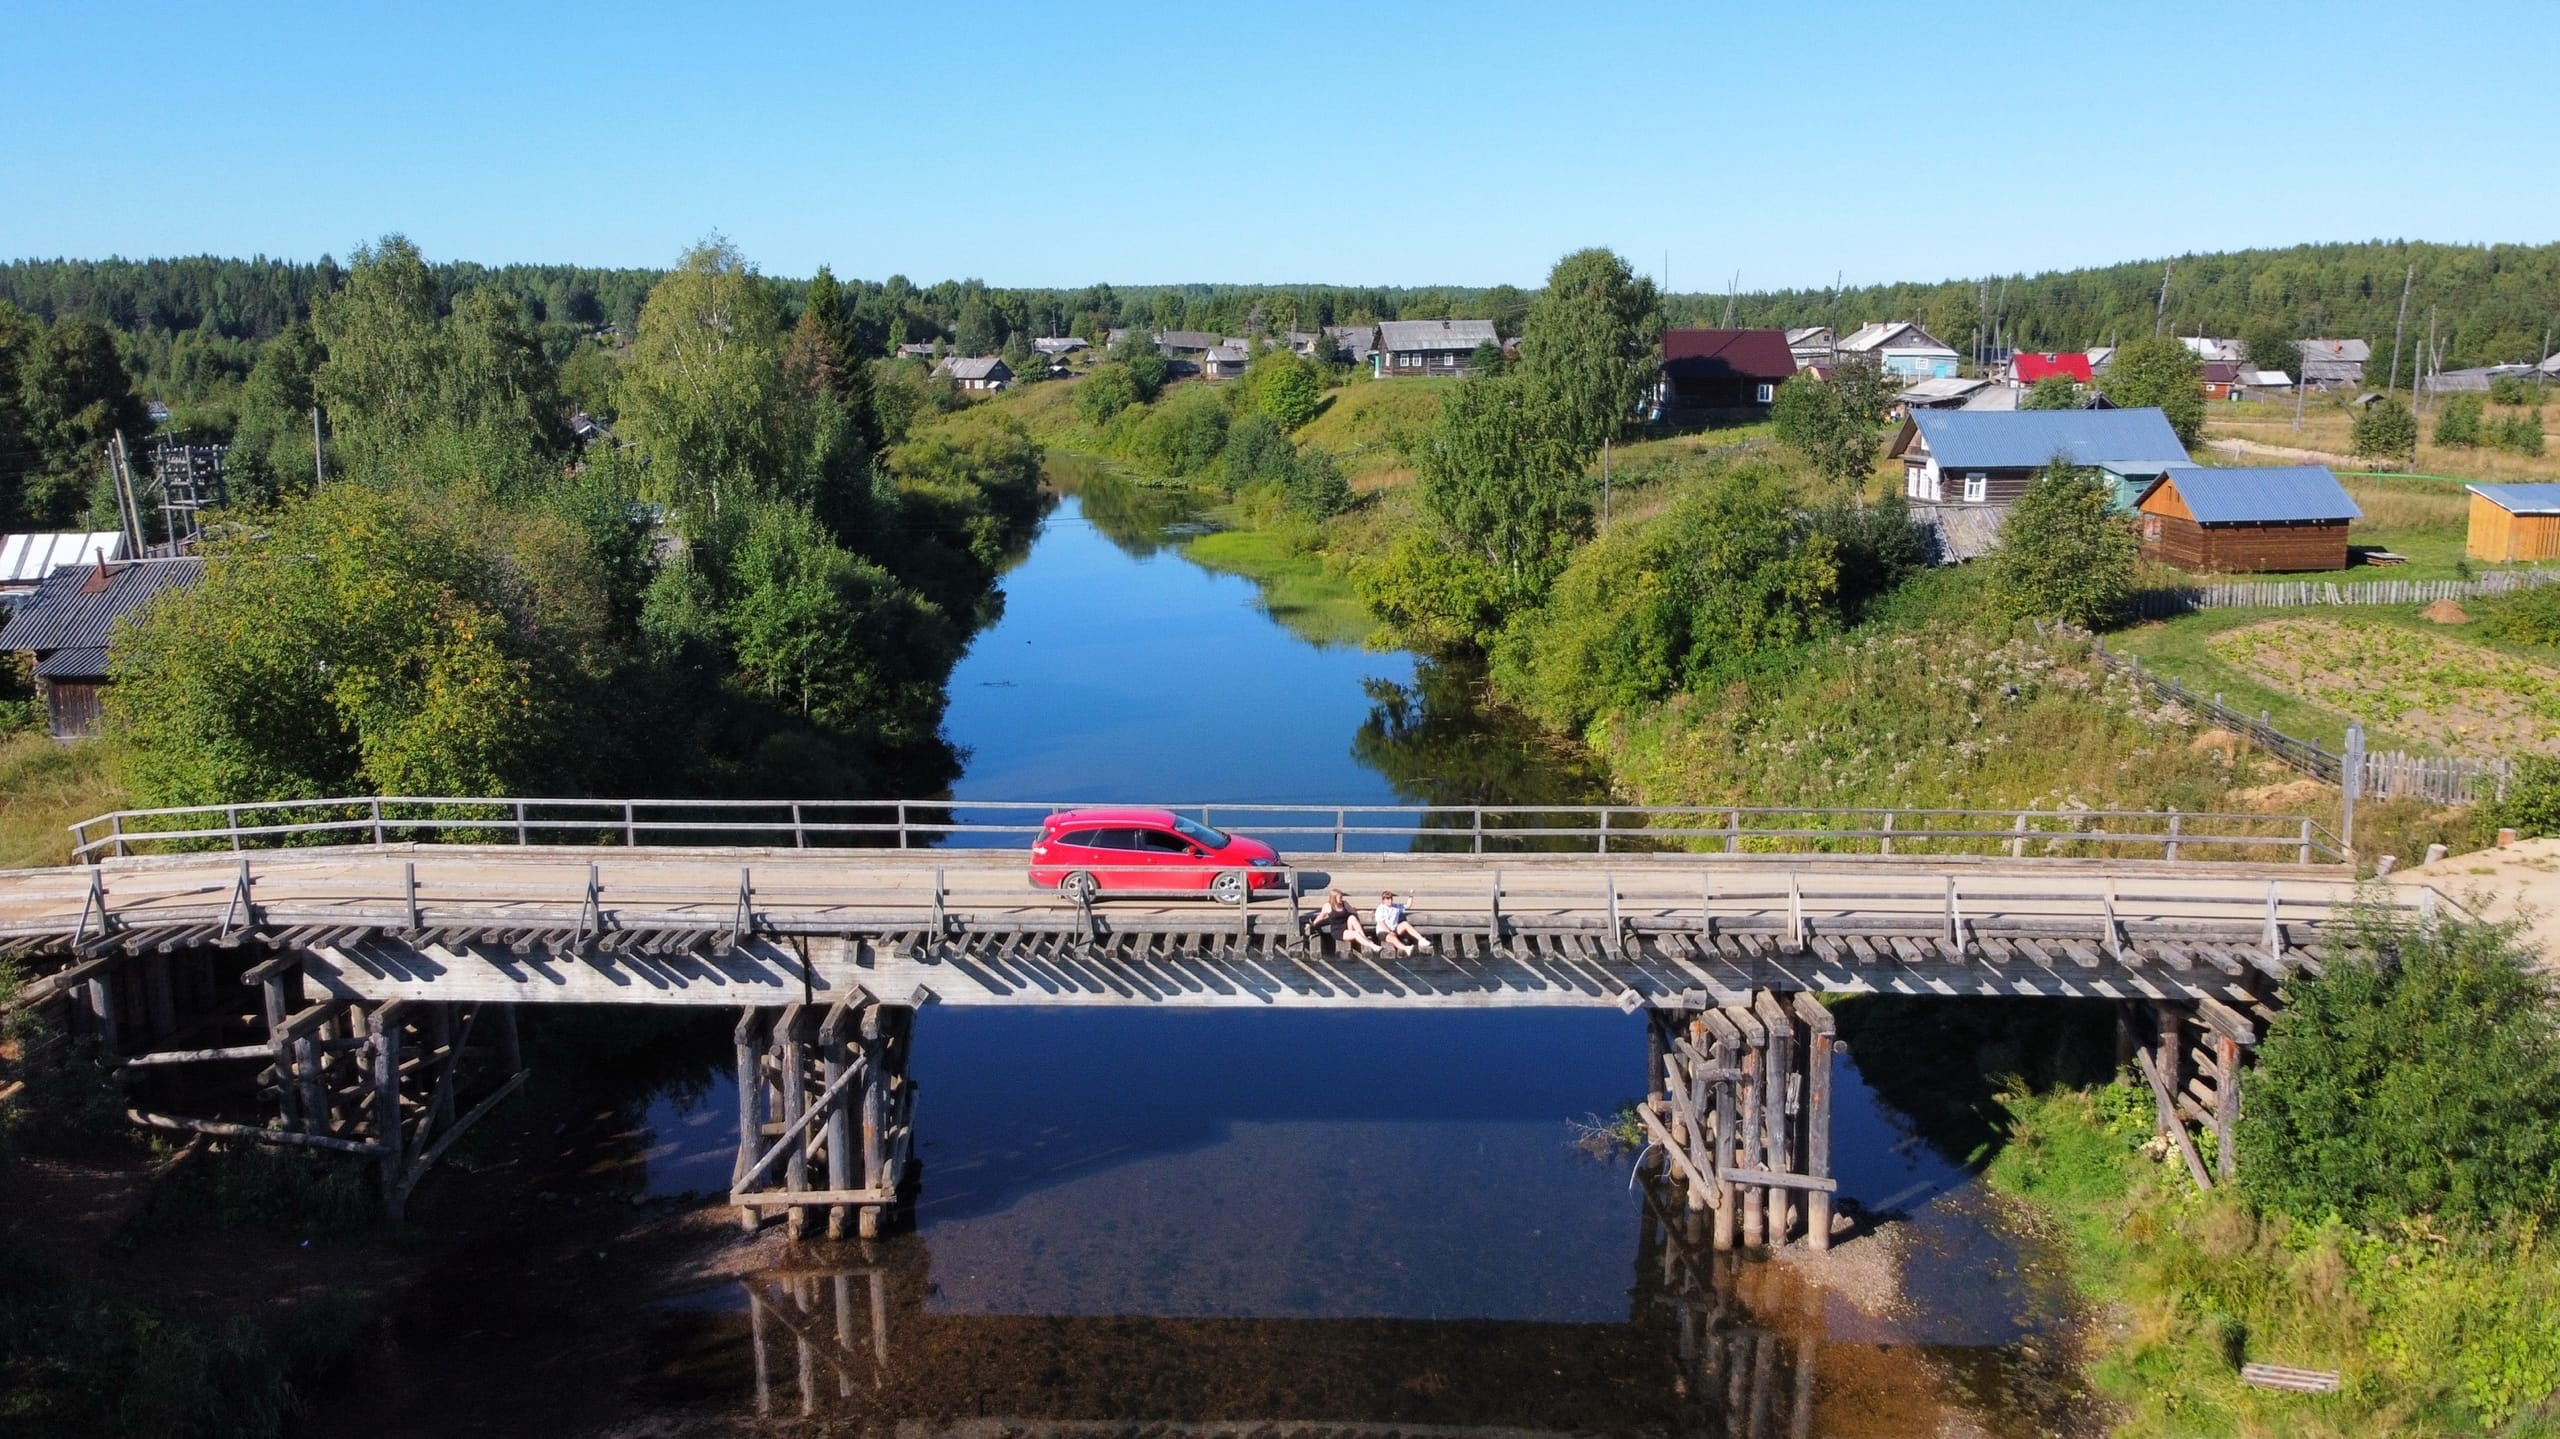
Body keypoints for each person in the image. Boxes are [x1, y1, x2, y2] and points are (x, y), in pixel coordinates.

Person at [1304, 889, 1381, 953]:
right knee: (1356, 933)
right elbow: (1320, 917)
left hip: (1346, 926)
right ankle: (1372, 946)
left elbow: (1354, 912)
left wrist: (1367, 912)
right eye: (1340, 897)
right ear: (1334, 898)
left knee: (1352, 917)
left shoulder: (1344, 904)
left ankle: (1365, 938)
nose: (1341, 898)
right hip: (1338, 931)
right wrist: (1312, 925)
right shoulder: (1328, 906)